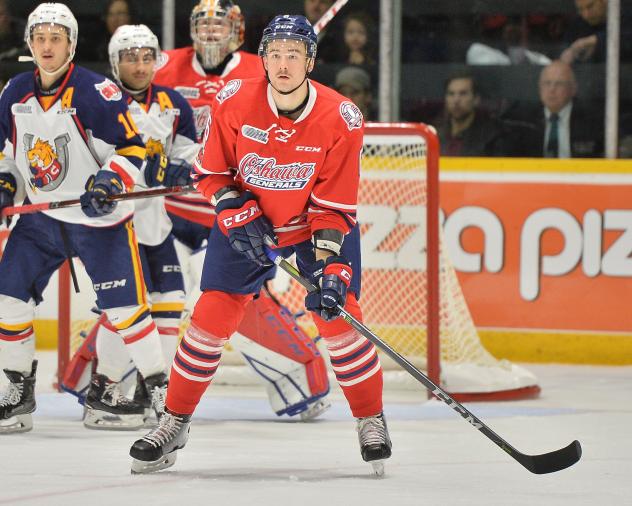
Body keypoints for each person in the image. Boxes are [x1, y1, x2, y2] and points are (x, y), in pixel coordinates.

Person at [129, 14, 391, 475]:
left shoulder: (342, 118)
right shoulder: (234, 101)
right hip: (248, 225)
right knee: (209, 319)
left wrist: (329, 269)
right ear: (263, 58)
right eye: (275, 54)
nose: (283, 64)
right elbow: (210, 175)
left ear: (310, 61)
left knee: (341, 322)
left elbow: (333, 208)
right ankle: (175, 420)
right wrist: (233, 208)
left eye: (294, 55)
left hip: (314, 228)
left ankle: (370, 418)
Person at [152, 0, 331, 422]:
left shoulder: (265, 67)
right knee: (141, 297)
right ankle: (115, 386)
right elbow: (126, 118)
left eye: (221, 25)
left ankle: (301, 382)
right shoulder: (161, 65)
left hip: (235, 218)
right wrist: (155, 158)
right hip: (170, 216)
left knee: (237, 304)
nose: (211, 33)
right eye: (204, 24)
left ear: (239, 31)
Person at [0, 2, 168, 434]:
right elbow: (7, 154)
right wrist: (5, 184)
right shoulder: (14, 91)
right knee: (8, 297)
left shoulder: (97, 91)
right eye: (39, 38)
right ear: (29, 45)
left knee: (127, 309)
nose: (46, 46)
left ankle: (157, 395)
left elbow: (133, 149)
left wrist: (109, 183)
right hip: (42, 220)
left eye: (56, 38)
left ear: (71, 44)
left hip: (99, 218)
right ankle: (17, 394)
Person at [69, 23, 199, 430]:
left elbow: (192, 156)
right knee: (121, 308)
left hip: (156, 223)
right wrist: (147, 168)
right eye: (130, 58)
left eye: (146, 57)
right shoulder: (99, 100)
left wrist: (181, 169)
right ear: (114, 61)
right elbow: (101, 159)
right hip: (115, 224)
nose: (140, 66)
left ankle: (150, 390)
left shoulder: (174, 103)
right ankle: (103, 390)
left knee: (171, 301)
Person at [435, 72, 512, 156]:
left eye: (463, 93)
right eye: (451, 94)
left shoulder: (491, 137)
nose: (456, 100)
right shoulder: (435, 134)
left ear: (476, 99)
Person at [560, 0, 632, 64]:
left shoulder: (627, 13)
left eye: (590, 6)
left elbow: (627, 39)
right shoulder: (578, 25)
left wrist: (595, 41)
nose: (586, 15)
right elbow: (564, 53)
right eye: (580, 9)